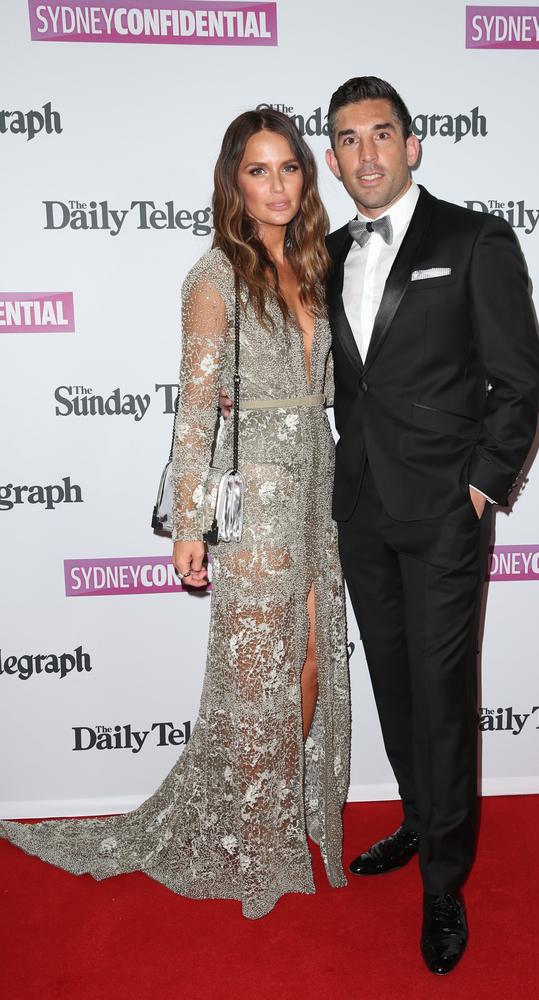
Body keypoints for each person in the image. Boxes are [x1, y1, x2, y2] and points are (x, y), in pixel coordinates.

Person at [0, 109, 351, 920]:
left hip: (317, 487)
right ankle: (253, 836)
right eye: (257, 170)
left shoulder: (315, 262)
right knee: (256, 676)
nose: (275, 185)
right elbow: (197, 409)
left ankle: (277, 810)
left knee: (309, 660)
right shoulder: (214, 276)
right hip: (257, 488)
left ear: (306, 175)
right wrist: (189, 524)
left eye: (288, 168)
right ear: (234, 181)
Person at [324, 77, 539, 974]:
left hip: (447, 513)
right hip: (362, 510)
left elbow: (519, 381)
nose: (366, 153)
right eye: (347, 139)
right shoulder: (326, 250)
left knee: (444, 696)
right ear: (333, 157)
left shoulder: (474, 238)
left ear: (414, 145)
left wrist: (484, 487)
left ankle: (445, 885)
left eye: (382, 134)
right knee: (394, 680)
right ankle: (419, 818)